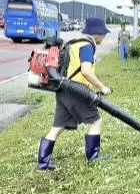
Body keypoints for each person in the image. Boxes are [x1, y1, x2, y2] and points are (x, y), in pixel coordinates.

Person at [37, 17, 113, 171]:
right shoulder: (86, 46)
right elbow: (85, 70)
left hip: (62, 89)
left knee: (58, 126)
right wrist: (102, 87)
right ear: (96, 33)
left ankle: (42, 162)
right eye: (103, 34)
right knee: (96, 121)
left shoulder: (73, 43)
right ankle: (93, 157)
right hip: (76, 91)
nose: (104, 37)